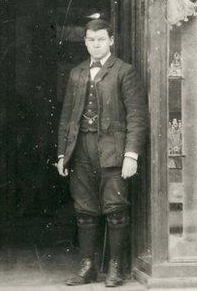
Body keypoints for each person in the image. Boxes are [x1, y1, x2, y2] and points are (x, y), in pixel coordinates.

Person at [56, 19, 148, 287]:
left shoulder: (124, 71)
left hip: (113, 151)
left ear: (111, 41)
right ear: (85, 42)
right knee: (84, 209)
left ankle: (115, 268)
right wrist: (62, 153)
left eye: (100, 39)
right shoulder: (76, 73)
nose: (95, 44)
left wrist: (131, 155)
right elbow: (66, 118)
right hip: (81, 149)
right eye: (90, 40)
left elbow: (137, 116)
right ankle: (87, 268)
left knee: (116, 209)